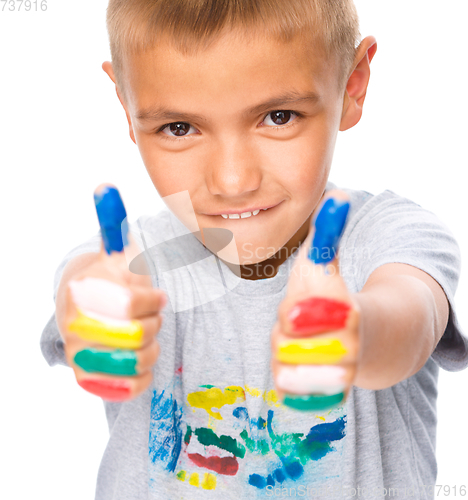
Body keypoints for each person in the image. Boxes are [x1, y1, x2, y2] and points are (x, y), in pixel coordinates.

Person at [40, 0, 468, 498]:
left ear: (353, 84)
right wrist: (96, 315)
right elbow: (83, 287)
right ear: (125, 107)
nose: (233, 180)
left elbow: (410, 318)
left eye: (278, 116)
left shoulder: (388, 235)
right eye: (179, 128)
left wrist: (355, 333)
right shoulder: (130, 263)